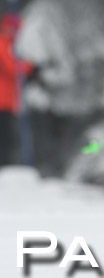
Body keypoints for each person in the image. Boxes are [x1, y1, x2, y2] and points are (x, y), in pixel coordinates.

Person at [0, 12, 32, 167]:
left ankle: (4, 167)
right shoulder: (2, 43)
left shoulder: (11, 45)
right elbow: (12, 67)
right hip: (2, 100)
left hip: (7, 100)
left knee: (7, 137)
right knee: (4, 137)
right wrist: (30, 67)